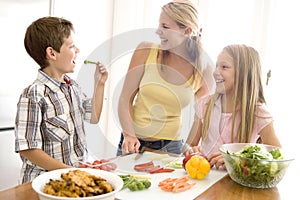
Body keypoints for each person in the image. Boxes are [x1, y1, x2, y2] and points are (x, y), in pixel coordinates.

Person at [14, 16, 108, 183]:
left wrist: (99, 84)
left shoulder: (73, 87)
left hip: (73, 180)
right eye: (71, 46)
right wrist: (72, 171)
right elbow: (28, 148)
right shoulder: (34, 94)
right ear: (52, 53)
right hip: (44, 184)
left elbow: (93, 117)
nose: (77, 50)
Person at [117, 0, 214, 155]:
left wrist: (190, 147)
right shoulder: (146, 51)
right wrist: (129, 135)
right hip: (133, 143)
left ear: (187, 31)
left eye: (165, 27)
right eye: (159, 25)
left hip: (171, 148)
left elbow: (201, 118)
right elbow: (125, 99)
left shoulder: (204, 69)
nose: (158, 31)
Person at [184, 44, 281, 169]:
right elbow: (188, 144)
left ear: (243, 73)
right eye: (216, 66)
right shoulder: (205, 105)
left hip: (238, 183)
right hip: (206, 177)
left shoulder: (257, 112)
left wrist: (237, 159)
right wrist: (191, 150)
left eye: (224, 67)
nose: (216, 72)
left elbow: (278, 156)